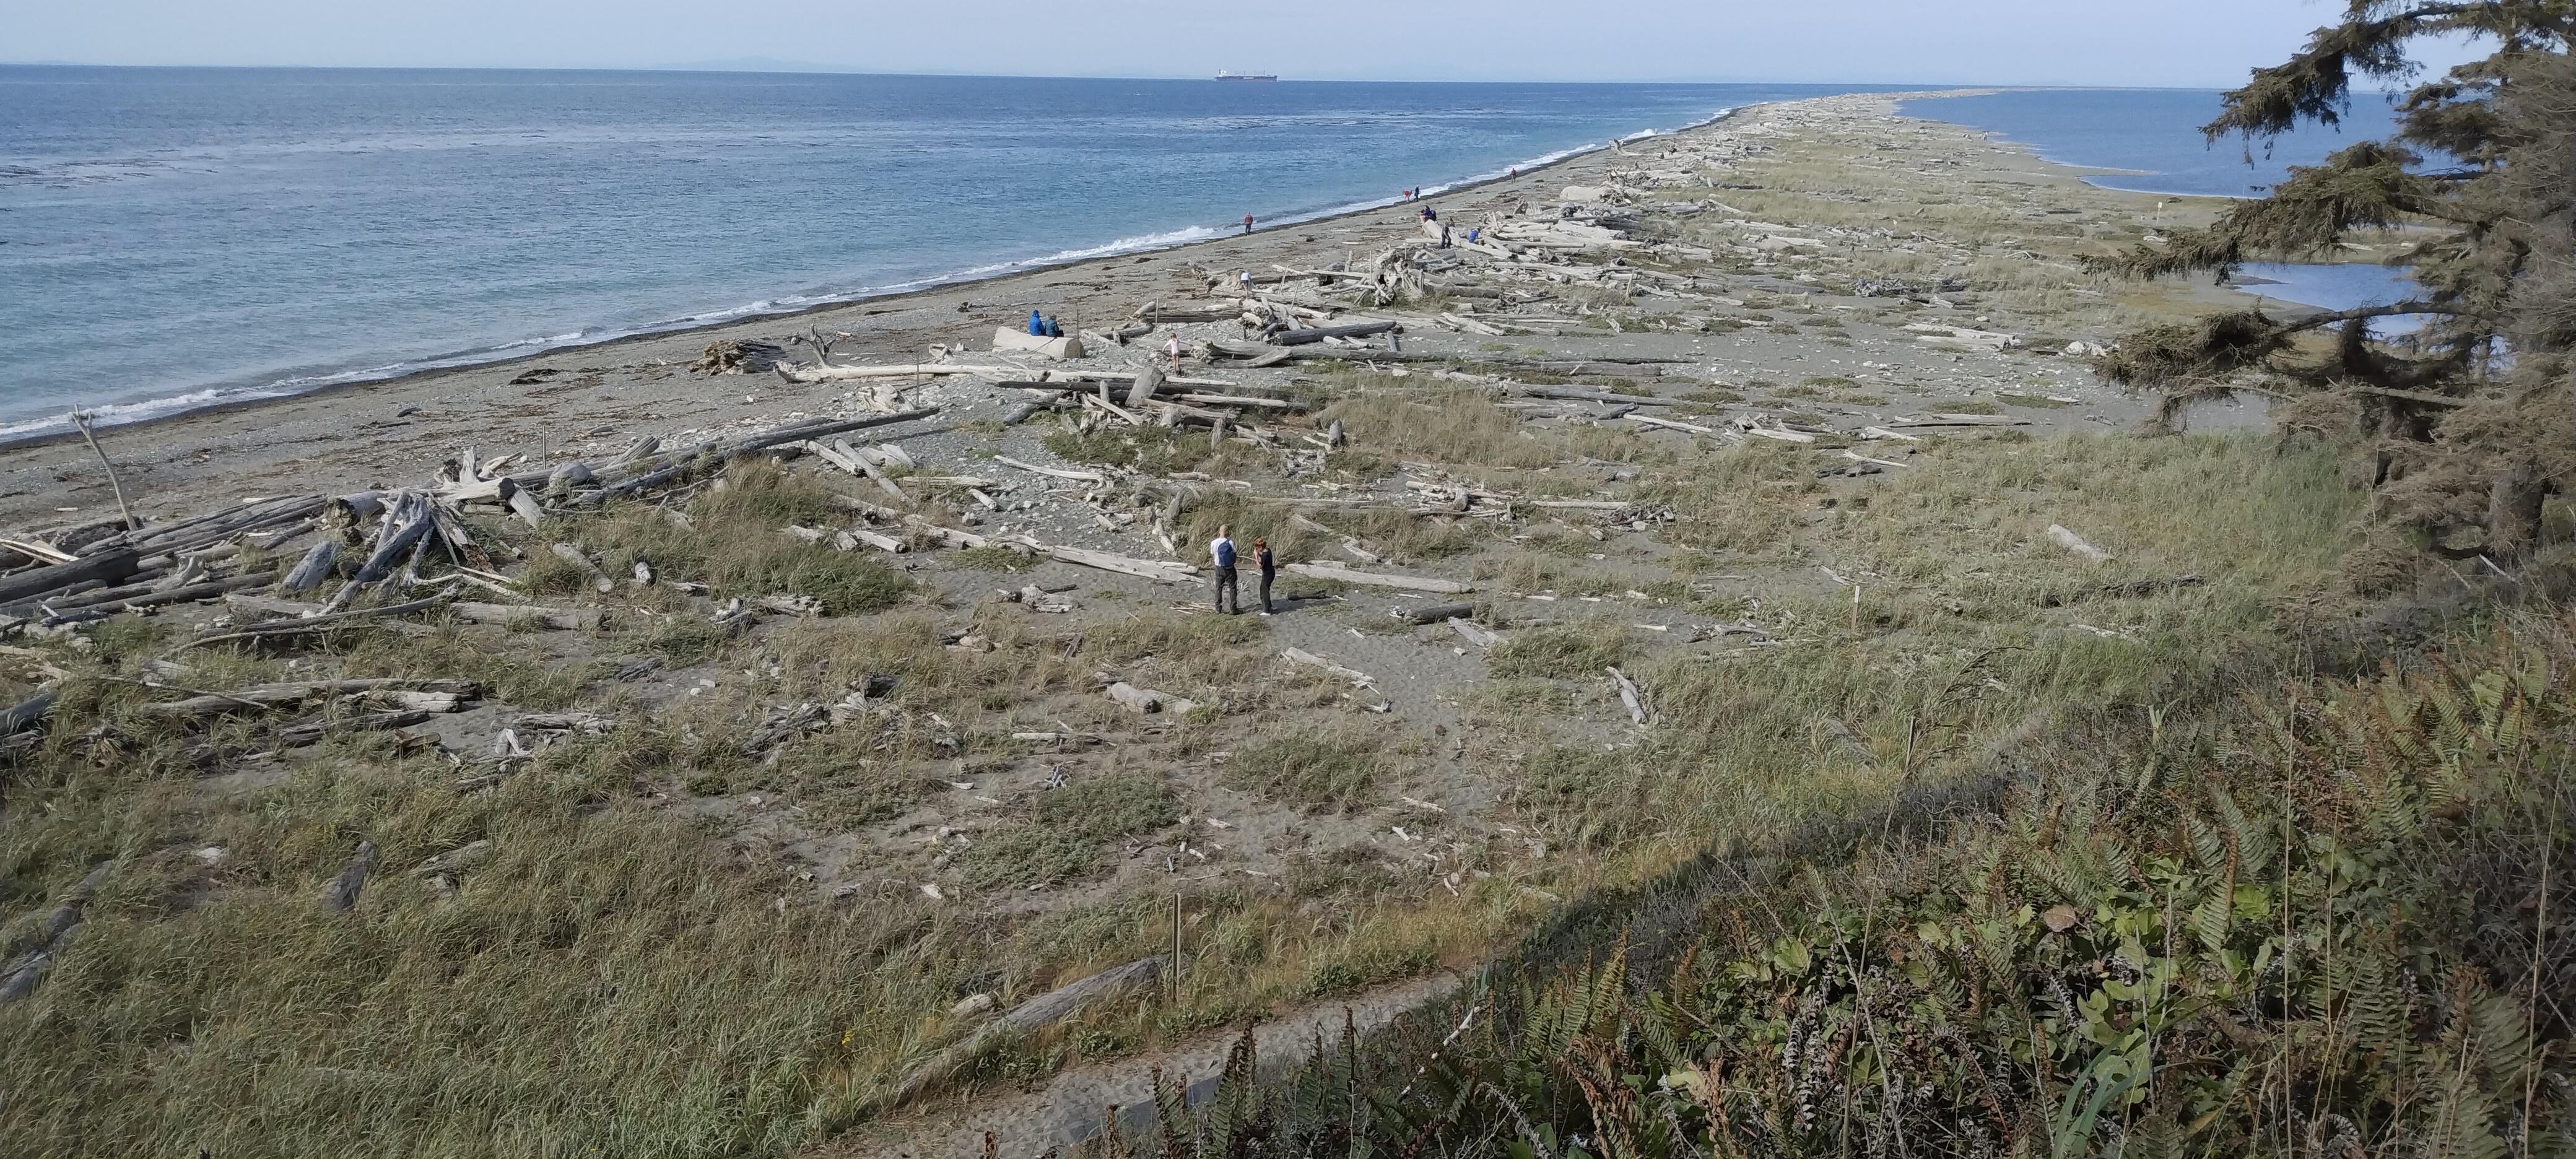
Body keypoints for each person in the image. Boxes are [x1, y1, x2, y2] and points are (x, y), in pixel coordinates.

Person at [1210, 525, 1239, 615]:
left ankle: (1218, 608)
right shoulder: (1230, 542)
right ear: (1227, 532)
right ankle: (1233, 609)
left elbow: (1213, 554)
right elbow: (1235, 553)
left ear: (1219, 531)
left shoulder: (1214, 543)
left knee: (1219, 588)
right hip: (1230, 568)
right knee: (1232, 588)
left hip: (1219, 567)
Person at [1253, 537, 1276, 615]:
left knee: (1264, 591)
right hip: (1270, 573)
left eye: (1257, 548)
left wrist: (1256, 557)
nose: (1256, 549)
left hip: (1267, 575)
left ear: (1260, 547)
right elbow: (1263, 556)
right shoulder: (1268, 550)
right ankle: (1268, 605)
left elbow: (1260, 566)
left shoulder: (1265, 556)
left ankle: (1267, 611)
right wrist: (1258, 554)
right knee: (1263, 589)